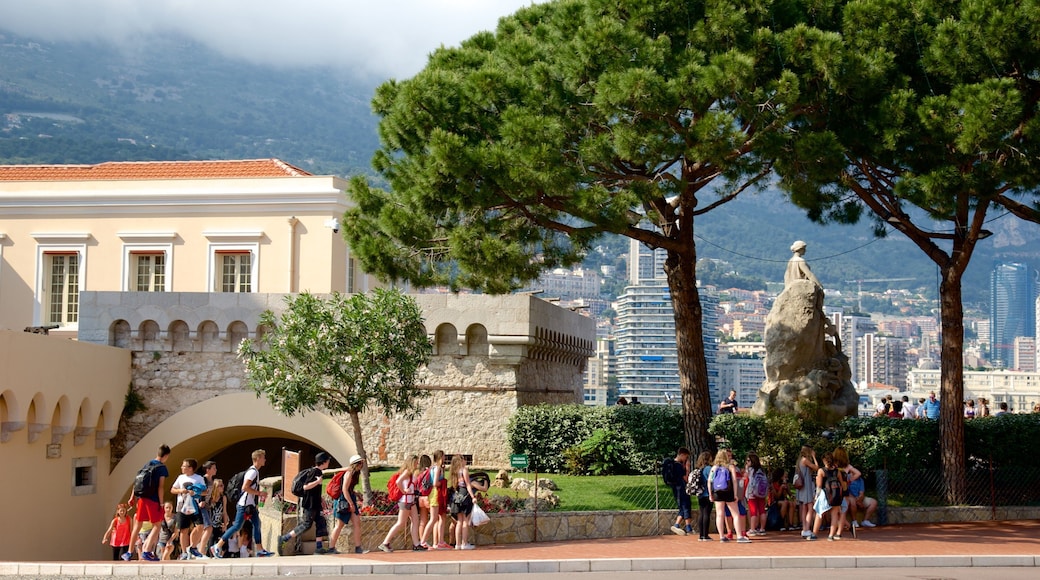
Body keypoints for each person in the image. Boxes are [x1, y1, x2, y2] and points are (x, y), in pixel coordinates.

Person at [211, 449, 273, 558]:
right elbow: (245, 487)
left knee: (257, 525)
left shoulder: (255, 471)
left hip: (250, 505)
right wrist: (259, 493)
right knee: (236, 527)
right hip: (244, 505)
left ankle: (260, 550)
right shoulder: (253, 472)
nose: (265, 460)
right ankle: (217, 546)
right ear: (258, 459)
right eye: (263, 457)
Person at [277, 451, 332, 555]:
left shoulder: (318, 472)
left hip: (315, 503)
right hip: (310, 504)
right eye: (328, 461)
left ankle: (319, 548)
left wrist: (321, 499)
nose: (329, 462)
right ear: (323, 462)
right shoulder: (315, 472)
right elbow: (305, 487)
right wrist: (317, 482)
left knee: (321, 523)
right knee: (306, 524)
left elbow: (314, 491)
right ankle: (284, 538)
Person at [127, 443, 171, 562]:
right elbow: (160, 487)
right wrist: (161, 504)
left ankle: (129, 552)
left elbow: (137, 481)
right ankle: (146, 551)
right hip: (153, 500)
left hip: (141, 498)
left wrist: (133, 497)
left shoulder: (147, 464)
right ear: (166, 455)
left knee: (138, 525)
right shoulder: (161, 468)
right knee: (157, 524)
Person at [379, 455, 426, 552]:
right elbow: (398, 482)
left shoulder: (411, 473)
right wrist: (404, 491)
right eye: (416, 462)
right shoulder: (407, 472)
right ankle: (385, 543)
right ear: (411, 462)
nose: (417, 464)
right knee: (401, 523)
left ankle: (416, 544)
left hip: (411, 500)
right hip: (405, 501)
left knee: (415, 521)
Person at [329, 454, 369, 554]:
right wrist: (351, 504)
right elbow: (344, 489)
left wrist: (355, 494)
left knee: (356, 523)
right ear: (356, 464)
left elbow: (348, 489)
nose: (362, 465)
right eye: (360, 463)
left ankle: (358, 547)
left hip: (349, 498)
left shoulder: (354, 473)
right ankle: (331, 548)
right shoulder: (349, 473)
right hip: (344, 500)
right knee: (339, 524)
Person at [170, 457, 207, 560]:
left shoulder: (198, 478)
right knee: (183, 529)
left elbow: (205, 491)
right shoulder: (180, 478)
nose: (182, 467)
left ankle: (194, 547)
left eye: (184, 466)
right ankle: (184, 552)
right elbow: (172, 489)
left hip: (194, 505)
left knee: (200, 526)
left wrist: (195, 493)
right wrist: (181, 490)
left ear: (190, 468)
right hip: (182, 506)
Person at [709, 449, 748, 543]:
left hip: (718, 492)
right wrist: (735, 494)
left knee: (719, 514)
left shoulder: (714, 467)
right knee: (736, 514)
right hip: (728, 492)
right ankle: (739, 536)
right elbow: (734, 481)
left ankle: (722, 536)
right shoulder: (730, 467)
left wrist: (711, 494)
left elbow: (709, 481)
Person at [808, 452, 846, 541]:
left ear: (824, 460)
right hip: (836, 495)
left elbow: (819, 486)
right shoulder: (837, 471)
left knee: (819, 514)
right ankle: (831, 535)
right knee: (834, 515)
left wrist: (816, 497)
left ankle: (814, 534)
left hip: (825, 495)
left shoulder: (821, 471)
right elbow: (842, 483)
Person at [420, 450, 451, 550]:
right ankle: (423, 541)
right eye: (444, 456)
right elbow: (435, 483)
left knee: (442, 516)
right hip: (435, 494)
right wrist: (443, 483)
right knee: (433, 518)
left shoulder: (435, 467)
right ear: (440, 457)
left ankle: (440, 541)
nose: (445, 458)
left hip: (437, 494)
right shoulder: (437, 468)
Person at [448, 454, 477, 550]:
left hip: (456, 496)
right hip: (464, 495)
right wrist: (473, 496)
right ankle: (464, 543)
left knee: (459, 521)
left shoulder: (454, 472)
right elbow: (468, 485)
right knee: (465, 521)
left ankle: (458, 544)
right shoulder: (464, 470)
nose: (465, 461)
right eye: (464, 459)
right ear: (461, 461)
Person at [189, 460, 217, 558]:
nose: (215, 470)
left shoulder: (212, 481)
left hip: (207, 506)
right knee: (208, 527)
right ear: (207, 470)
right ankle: (201, 551)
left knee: (200, 528)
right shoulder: (203, 479)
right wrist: (201, 500)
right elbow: (198, 490)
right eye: (213, 468)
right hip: (201, 506)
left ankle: (192, 548)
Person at [667, 447, 693, 535]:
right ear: (682, 455)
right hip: (681, 487)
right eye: (686, 457)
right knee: (686, 505)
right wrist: (687, 468)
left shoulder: (672, 464)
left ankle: (677, 525)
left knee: (682, 506)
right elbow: (685, 478)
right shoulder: (678, 466)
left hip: (675, 488)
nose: (686, 459)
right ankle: (688, 527)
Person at [795, 445, 819, 538]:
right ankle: (806, 528)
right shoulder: (805, 460)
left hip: (802, 486)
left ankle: (804, 528)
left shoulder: (800, 460)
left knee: (804, 508)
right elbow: (816, 467)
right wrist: (814, 457)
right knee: (810, 508)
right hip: (807, 486)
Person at [744, 453, 768, 536]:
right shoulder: (761, 470)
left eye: (748, 460)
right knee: (762, 511)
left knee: (753, 511)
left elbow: (746, 480)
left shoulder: (750, 470)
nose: (747, 462)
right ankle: (762, 529)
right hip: (761, 493)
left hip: (752, 493)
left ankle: (753, 529)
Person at [693, 451, 714, 541]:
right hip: (707, 493)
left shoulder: (699, 469)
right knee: (706, 514)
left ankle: (701, 535)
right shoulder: (709, 468)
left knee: (701, 513)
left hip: (700, 493)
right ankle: (705, 535)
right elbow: (712, 480)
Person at [416, 454, 433, 548]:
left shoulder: (417, 473)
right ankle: (434, 541)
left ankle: (422, 541)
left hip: (419, 498)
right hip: (427, 497)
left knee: (422, 521)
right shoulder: (429, 471)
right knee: (435, 519)